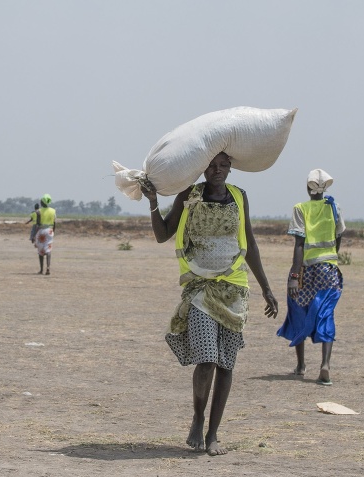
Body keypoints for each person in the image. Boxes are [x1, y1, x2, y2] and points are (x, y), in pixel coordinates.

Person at [140, 152, 278, 456]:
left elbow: (250, 243)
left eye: (223, 166)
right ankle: (198, 417)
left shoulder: (240, 197)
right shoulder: (189, 196)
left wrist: (266, 287)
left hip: (234, 289)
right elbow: (164, 234)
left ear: (230, 168)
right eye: (211, 166)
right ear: (203, 169)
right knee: (206, 361)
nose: (217, 171)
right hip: (200, 288)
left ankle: (214, 433)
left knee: (226, 364)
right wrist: (152, 202)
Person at [277, 169, 345, 386]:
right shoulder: (333, 207)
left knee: (298, 309)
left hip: (307, 270)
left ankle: (301, 365)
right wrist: (332, 259)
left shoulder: (300, 209)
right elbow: (338, 237)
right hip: (329, 271)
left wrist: (294, 276)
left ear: (308, 188)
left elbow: (299, 245)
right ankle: (325, 365)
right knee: (326, 314)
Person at [34, 194, 56, 275]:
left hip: (41, 231)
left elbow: (38, 223)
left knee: (41, 250)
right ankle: (48, 268)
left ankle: (41, 269)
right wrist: (53, 232)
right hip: (50, 231)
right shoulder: (53, 211)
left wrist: (34, 235)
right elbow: (54, 223)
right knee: (48, 249)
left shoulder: (39, 211)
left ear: (42, 202)